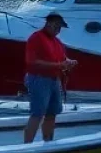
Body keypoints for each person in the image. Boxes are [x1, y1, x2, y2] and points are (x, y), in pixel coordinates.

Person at [23, 12, 77, 143]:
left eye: (59, 28)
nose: (58, 30)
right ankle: (26, 145)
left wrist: (69, 62)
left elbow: (62, 58)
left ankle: (48, 141)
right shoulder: (36, 38)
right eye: (56, 27)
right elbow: (32, 62)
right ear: (48, 24)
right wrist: (59, 65)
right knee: (37, 113)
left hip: (54, 80)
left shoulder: (57, 42)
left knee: (52, 113)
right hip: (39, 79)